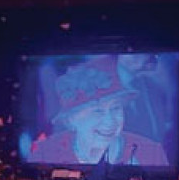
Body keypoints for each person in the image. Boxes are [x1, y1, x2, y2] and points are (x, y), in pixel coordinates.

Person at [28, 55, 169, 166]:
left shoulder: (152, 154)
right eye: (97, 111)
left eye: (115, 108)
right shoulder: (44, 154)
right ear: (71, 119)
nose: (110, 121)